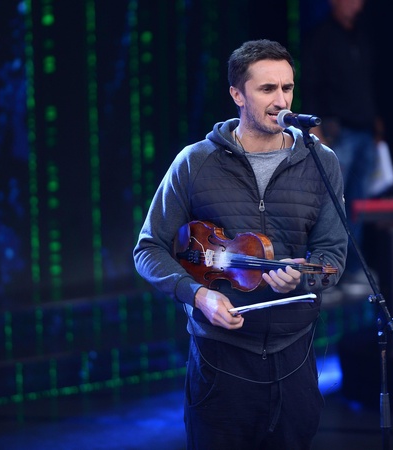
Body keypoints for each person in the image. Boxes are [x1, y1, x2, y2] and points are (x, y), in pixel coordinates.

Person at [133, 40, 347, 449]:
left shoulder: (321, 161)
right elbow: (148, 249)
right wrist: (198, 296)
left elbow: (332, 256)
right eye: (267, 89)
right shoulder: (195, 161)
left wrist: (302, 280)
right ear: (237, 94)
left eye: (287, 88)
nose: (281, 101)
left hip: (293, 355)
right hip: (221, 360)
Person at [301, 0, 382, 287]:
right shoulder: (320, 36)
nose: (354, 5)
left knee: (358, 204)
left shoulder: (363, 35)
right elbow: (309, 84)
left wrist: (377, 123)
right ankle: (324, 270)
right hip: (337, 132)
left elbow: (371, 84)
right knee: (332, 205)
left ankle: (352, 267)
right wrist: (315, 129)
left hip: (365, 130)